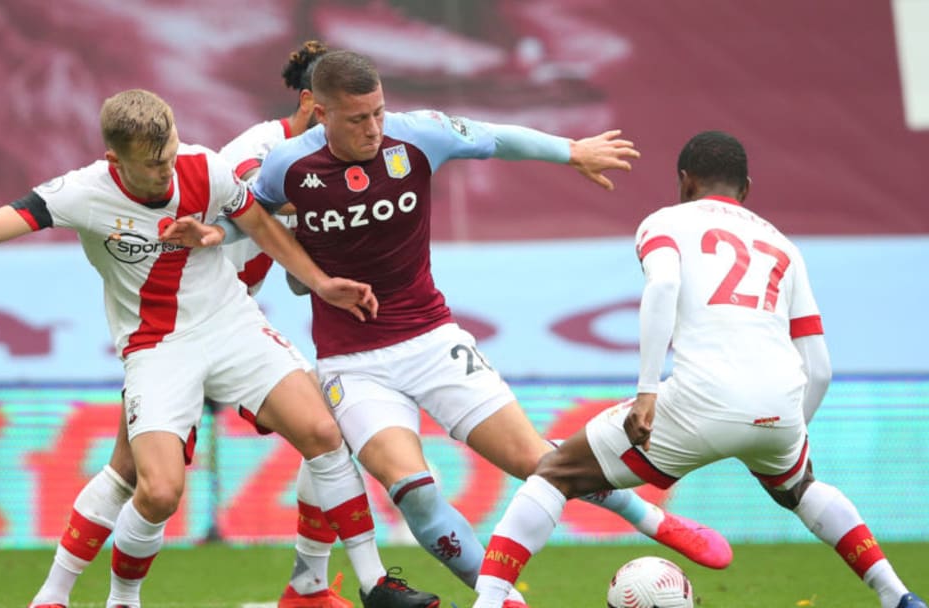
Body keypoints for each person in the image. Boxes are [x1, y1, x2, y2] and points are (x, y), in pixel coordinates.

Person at [0, 88, 431, 608]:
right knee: (158, 490)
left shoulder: (203, 167)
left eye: (170, 153)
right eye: (153, 164)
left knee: (323, 431)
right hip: (157, 348)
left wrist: (318, 282)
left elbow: (258, 225)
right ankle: (115, 599)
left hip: (231, 324)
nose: (167, 169)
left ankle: (373, 583)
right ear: (114, 160)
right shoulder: (81, 192)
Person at [235, 50, 732, 607]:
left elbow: (494, 136)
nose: (374, 128)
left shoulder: (417, 135)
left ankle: (652, 520)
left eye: (377, 112)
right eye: (357, 119)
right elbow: (249, 216)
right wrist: (284, 264)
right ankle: (504, 601)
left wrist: (572, 152)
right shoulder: (286, 165)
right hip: (352, 364)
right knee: (414, 493)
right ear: (321, 114)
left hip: (432, 340)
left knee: (538, 463)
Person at [469, 131, 927, 608]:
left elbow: (663, 286)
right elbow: (820, 367)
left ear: (684, 181)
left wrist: (647, 391)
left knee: (556, 472)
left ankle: (490, 599)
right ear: (745, 188)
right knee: (801, 488)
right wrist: (790, 430)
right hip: (779, 406)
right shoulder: (783, 247)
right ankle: (897, 595)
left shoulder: (665, 222)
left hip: (699, 399)